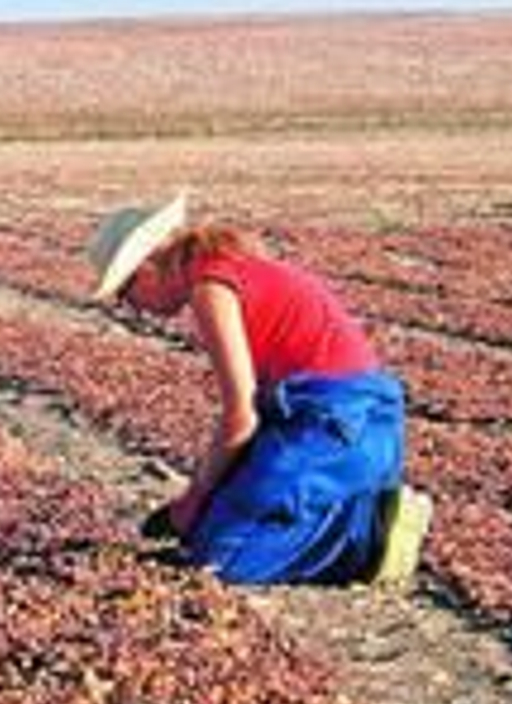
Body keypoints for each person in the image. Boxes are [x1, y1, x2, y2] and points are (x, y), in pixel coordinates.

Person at [87, 194, 433, 586]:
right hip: (364, 427)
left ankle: (362, 535)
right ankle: (353, 506)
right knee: (216, 523)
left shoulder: (212, 290)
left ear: (146, 269)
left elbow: (240, 417)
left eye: (125, 294)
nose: (132, 308)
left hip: (338, 424)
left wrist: (194, 498)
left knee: (218, 560)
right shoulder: (227, 267)